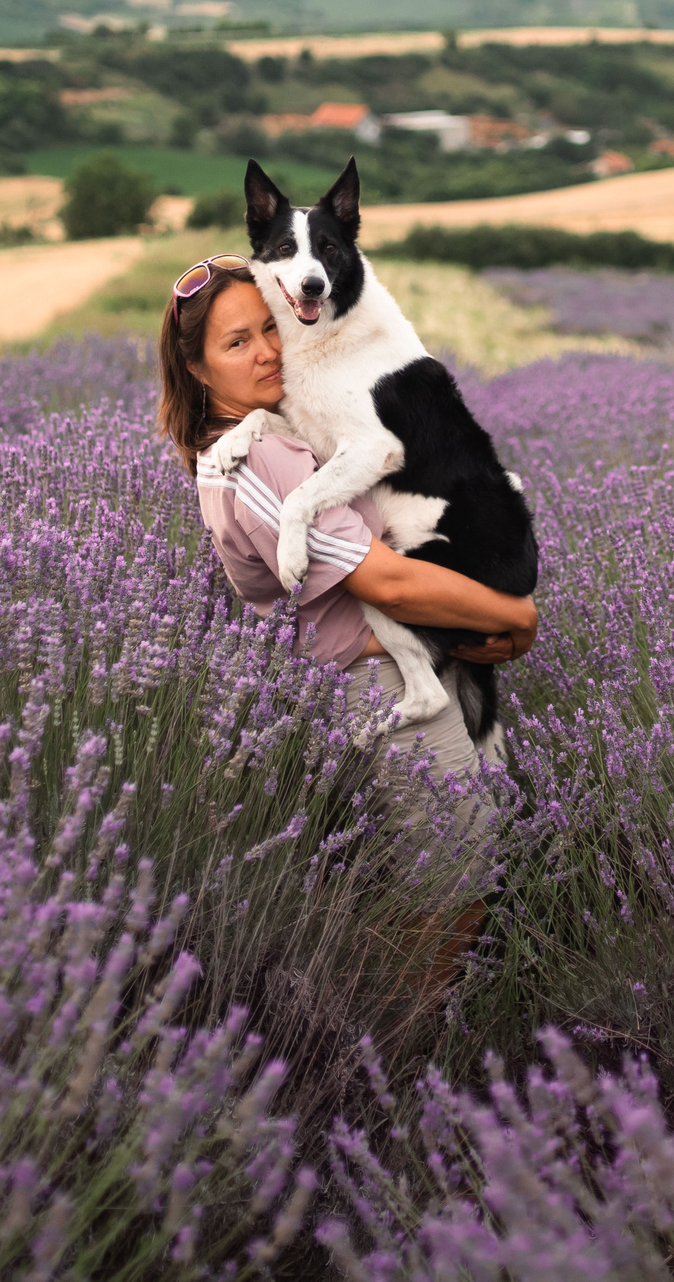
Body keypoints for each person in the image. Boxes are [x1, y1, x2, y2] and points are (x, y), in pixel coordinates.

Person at [158, 253, 533, 992]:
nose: (267, 348)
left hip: (406, 660)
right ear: (198, 370)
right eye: (237, 342)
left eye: (270, 326)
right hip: (377, 679)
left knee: (461, 862)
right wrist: (515, 616)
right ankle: (401, 1036)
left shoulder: (273, 429)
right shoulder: (252, 459)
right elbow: (385, 578)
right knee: (454, 879)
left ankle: (403, 1023)